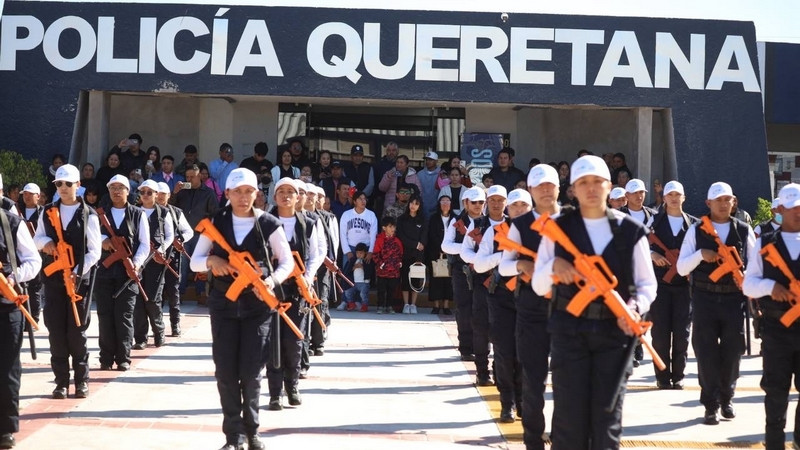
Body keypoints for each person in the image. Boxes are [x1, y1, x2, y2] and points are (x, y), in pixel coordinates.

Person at [532, 155, 657, 449]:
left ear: (609, 186)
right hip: (568, 332)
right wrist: (554, 267)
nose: (591, 188)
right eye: (583, 182)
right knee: (568, 421)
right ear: (573, 189)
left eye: (598, 182)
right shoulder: (556, 228)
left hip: (615, 334)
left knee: (607, 421)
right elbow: (538, 285)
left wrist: (634, 308)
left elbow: (647, 285)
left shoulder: (630, 230)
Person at [190, 168, 292, 450]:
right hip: (223, 306)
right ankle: (233, 436)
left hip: (257, 308)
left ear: (257, 193)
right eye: (237, 192)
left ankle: (252, 431)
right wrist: (212, 262)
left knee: (251, 372)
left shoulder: (268, 223)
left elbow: (286, 262)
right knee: (225, 372)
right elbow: (195, 260)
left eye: (248, 191)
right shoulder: (216, 222)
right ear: (227, 193)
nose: (243, 197)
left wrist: (270, 281)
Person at [677, 181, 754, 426]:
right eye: (718, 200)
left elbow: (756, 267)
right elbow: (681, 268)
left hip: (733, 300)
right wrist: (701, 254)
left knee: (733, 352)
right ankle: (710, 405)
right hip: (705, 299)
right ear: (708, 203)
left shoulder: (744, 230)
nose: (723, 204)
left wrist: (746, 279)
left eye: (727, 200)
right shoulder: (696, 230)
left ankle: (727, 398)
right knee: (706, 353)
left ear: (734, 202)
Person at [498, 165, 562, 450]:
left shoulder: (573, 220)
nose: (546, 190)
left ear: (559, 188)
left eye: (550, 185)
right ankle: (533, 440)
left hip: (567, 309)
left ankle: (561, 436)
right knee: (533, 378)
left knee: (566, 379)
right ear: (531, 190)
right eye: (540, 186)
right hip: (532, 309)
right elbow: (504, 267)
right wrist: (521, 264)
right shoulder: (521, 225)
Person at [34, 164, 100, 399]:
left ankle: (81, 381)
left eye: (68, 183)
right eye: (59, 184)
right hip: (53, 281)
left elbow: (95, 251)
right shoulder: (47, 211)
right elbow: (37, 238)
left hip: (78, 283)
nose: (63, 187)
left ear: (78, 185)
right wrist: (46, 244)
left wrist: (77, 271)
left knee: (77, 333)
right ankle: (61, 382)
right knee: (56, 332)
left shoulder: (89, 214)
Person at [743, 183, 800, 450]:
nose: (798, 212)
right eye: (793, 208)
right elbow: (748, 284)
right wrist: (770, 287)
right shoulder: (766, 242)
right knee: (776, 392)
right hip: (777, 329)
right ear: (780, 209)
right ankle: (774, 444)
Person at [474, 187, 532, 424]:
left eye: (523, 205)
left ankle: (523, 401)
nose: (518, 210)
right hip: (501, 299)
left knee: (526, 354)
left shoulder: (541, 231)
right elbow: (479, 265)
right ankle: (507, 403)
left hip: (531, 299)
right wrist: (503, 257)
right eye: (514, 205)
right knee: (504, 352)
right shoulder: (495, 231)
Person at [265, 178, 321, 410]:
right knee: (272, 341)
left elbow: (315, 254)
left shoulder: (308, 223)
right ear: (274, 196)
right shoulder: (264, 221)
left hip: (297, 289)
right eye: (281, 191)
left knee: (295, 340)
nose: (286, 195)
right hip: (271, 289)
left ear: (299, 197)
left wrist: (307, 278)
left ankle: (292, 386)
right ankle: (275, 393)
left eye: (291, 191)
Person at [95, 174, 150, 372]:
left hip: (128, 275)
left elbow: (144, 244)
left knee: (124, 316)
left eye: (120, 188)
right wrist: (104, 241)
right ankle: (105, 358)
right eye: (113, 188)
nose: (116, 191)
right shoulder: (99, 214)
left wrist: (136, 264)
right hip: (104, 273)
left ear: (128, 191)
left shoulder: (138, 214)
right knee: (105, 316)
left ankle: (123, 358)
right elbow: (91, 237)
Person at [0, 191, 42, 449]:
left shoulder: (12, 222)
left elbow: (33, 261)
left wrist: (13, 277)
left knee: (7, 371)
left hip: (7, 306)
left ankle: (5, 429)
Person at [649, 181, 698, 390]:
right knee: (660, 333)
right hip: (660, 285)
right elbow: (639, 244)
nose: (674, 198)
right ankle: (662, 377)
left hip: (684, 286)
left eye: (678, 195)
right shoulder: (654, 221)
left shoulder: (693, 224)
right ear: (664, 198)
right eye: (670, 195)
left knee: (682, 333)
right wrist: (652, 254)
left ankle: (678, 376)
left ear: (684, 198)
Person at [462, 185, 507, 387]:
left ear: (506, 202)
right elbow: (465, 251)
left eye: (500, 200)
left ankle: (500, 371)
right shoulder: (478, 225)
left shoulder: (513, 226)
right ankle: (482, 372)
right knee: (481, 328)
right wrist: (483, 262)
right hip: (482, 282)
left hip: (506, 285)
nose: (496, 204)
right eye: (493, 200)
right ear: (487, 202)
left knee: (502, 330)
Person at [442, 187, 484, 362]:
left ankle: (481, 346)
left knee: (481, 309)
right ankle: (466, 348)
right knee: (464, 308)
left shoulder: (488, 222)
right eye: (473, 202)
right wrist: (465, 249)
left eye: (481, 202)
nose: (477, 205)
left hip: (483, 269)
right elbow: (445, 245)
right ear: (466, 203)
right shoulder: (456, 222)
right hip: (461, 270)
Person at [131, 180, 174, 350]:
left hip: (156, 261)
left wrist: (161, 250)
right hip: (137, 260)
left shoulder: (164, 212)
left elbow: (170, 235)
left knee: (153, 299)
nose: (146, 195)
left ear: (156, 194)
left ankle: (159, 333)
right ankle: (140, 338)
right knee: (138, 300)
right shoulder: (134, 211)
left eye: (150, 192)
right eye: (143, 192)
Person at [170, 164, 219, 304]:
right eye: (187, 177)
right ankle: (179, 294)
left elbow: (215, 214)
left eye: (192, 177)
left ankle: (201, 293)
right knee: (182, 266)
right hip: (184, 235)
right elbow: (171, 208)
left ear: (200, 176)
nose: (189, 179)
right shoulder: (182, 192)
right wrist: (175, 193)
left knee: (200, 266)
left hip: (201, 235)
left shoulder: (208, 193)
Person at [155, 182, 193, 337]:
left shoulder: (176, 212)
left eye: (163, 194)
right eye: (158, 193)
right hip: (154, 258)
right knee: (156, 293)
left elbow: (188, 231)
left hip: (172, 257)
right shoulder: (147, 212)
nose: (160, 197)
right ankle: (158, 326)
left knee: (173, 291)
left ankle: (175, 324)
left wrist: (180, 239)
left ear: (169, 195)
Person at [397, 194, 427, 314]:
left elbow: (424, 236)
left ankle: (413, 304)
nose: (413, 206)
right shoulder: (401, 219)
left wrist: (420, 245)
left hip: (418, 254)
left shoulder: (423, 219)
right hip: (405, 253)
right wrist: (415, 244)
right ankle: (406, 304)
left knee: (416, 279)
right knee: (405, 279)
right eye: (411, 203)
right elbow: (401, 236)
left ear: (419, 206)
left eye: (416, 204)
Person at [426, 195, 456, 315]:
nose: (445, 204)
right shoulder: (433, 218)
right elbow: (431, 235)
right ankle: (436, 305)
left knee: (448, 280)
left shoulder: (455, 218)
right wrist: (441, 248)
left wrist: (449, 249)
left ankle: (446, 305)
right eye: (443, 201)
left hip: (451, 253)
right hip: (436, 253)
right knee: (436, 279)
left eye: (447, 201)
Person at [19, 183, 44, 324]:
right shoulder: (17, 210)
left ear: (38, 196)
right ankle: (22, 318)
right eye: (25, 194)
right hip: (20, 254)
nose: (27, 197)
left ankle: (33, 318)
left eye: (30, 194)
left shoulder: (44, 213)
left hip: (38, 254)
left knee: (35, 288)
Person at [339, 191, 378, 268]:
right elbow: (342, 235)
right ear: (354, 201)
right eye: (360, 199)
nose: (363, 201)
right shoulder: (346, 214)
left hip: (366, 249)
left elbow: (373, 235)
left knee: (365, 274)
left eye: (364, 199)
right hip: (350, 248)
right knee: (347, 273)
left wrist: (370, 251)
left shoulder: (371, 215)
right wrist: (347, 251)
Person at [373, 216, 403, 314]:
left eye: (394, 226)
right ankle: (380, 306)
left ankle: (389, 306)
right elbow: (375, 254)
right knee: (381, 289)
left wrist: (399, 262)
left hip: (394, 271)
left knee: (392, 289)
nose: (392, 229)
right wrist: (381, 264)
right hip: (382, 271)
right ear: (384, 228)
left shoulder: (397, 241)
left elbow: (400, 254)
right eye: (390, 226)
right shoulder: (379, 240)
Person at [339, 243, 372, 312]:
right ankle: (351, 304)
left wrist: (362, 267)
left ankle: (364, 305)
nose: (359, 255)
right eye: (357, 253)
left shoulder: (367, 261)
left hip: (363, 282)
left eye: (361, 253)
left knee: (363, 294)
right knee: (348, 292)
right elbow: (348, 271)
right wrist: (354, 267)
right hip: (354, 282)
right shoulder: (353, 260)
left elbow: (370, 271)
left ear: (365, 253)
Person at [417, 151, 441, 218]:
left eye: (430, 160)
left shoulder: (441, 174)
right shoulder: (419, 174)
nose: (428, 162)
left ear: (436, 161)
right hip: (421, 209)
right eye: (427, 160)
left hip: (436, 210)